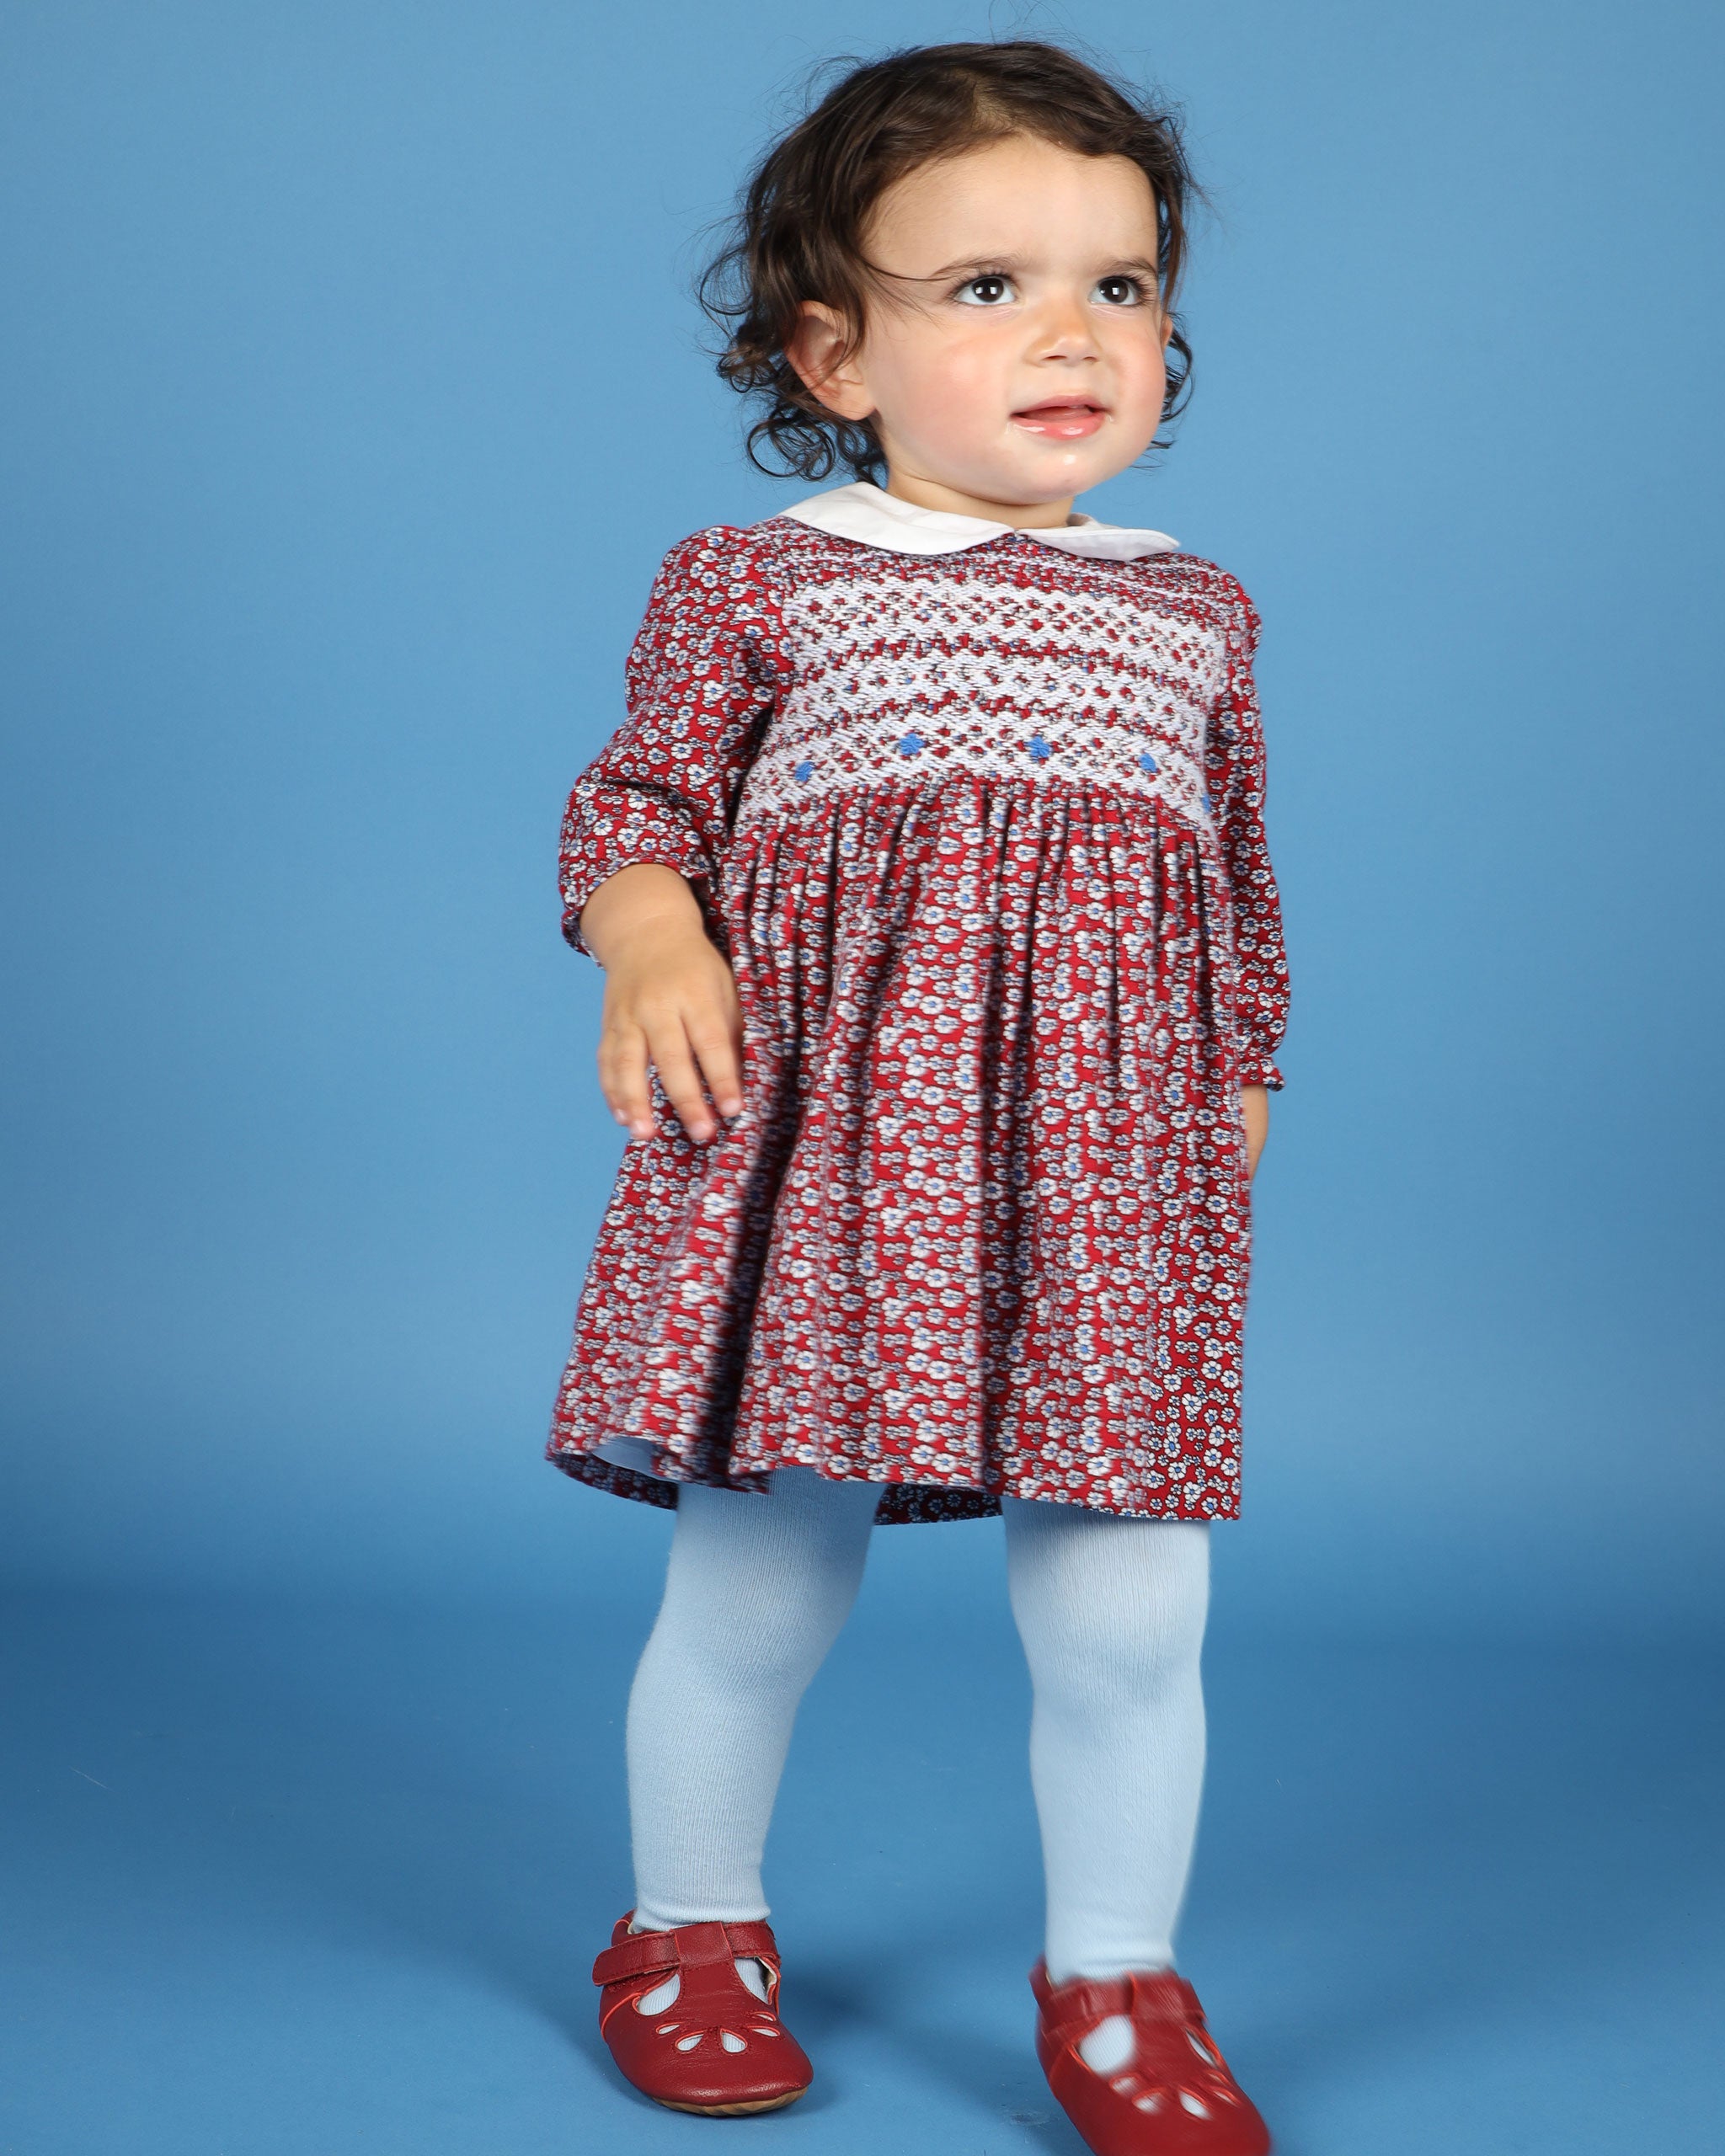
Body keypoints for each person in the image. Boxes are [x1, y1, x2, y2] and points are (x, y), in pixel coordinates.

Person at [547, 40, 1288, 2155]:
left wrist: (1235, 1079)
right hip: (825, 1165)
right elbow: (633, 806)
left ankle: (1120, 1984)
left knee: (1136, 1601)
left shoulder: (1193, 613)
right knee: (767, 1574)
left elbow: (1233, 885)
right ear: (833, 347)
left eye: (1121, 287)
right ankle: (686, 1926)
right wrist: (656, 937)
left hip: (1105, 1166)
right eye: (985, 288)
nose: (1072, 333)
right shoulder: (761, 576)